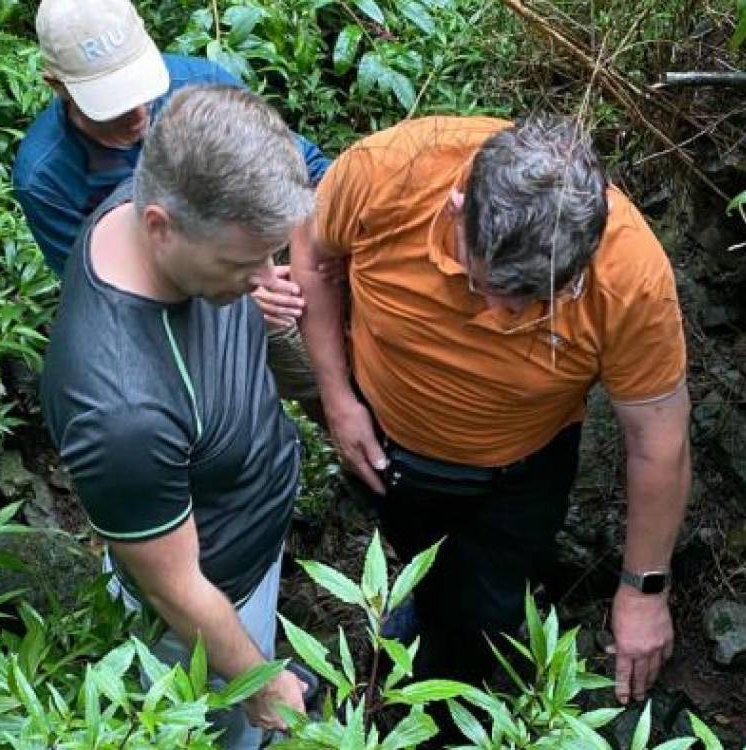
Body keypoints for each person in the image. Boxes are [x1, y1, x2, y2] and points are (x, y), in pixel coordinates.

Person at [293, 115, 692, 706]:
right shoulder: (386, 173)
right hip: (385, 443)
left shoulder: (629, 274)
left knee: (486, 610)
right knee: (417, 558)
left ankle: (444, 682)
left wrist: (643, 590)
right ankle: (422, 620)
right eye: (485, 285)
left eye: (536, 299)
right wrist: (337, 398)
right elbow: (315, 257)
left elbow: (658, 439)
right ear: (457, 207)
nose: (506, 314)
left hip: (519, 477)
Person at [41, 85, 313, 749]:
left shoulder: (147, 198)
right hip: (206, 599)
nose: (264, 278)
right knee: (230, 736)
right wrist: (261, 682)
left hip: (244, 542)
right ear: (160, 224)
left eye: (270, 253)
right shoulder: (122, 414)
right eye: (242, 263)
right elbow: (174, 588)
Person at [15, 0, 327, 403]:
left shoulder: (199, 86)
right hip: (191, 291)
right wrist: (245, 302)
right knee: (295, 374)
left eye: (141, 89)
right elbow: (101, 287)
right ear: (56, 85)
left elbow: (311, 172)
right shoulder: (46, 176)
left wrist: (305, 256)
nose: (138, 113)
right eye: (113, 102)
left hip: (268, 239)